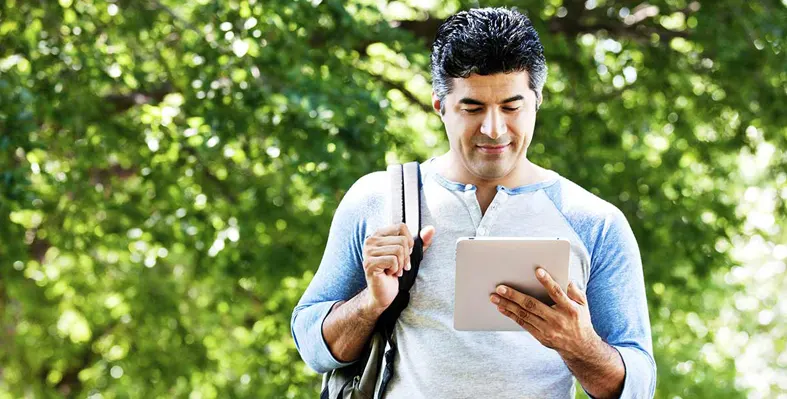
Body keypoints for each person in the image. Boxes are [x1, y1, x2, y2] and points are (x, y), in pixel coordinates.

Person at [291, 7, 656, 399]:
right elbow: (312, 346)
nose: (494, 129)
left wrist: (579, 345)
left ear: (537, 101)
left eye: (512, 107)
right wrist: (371, 303)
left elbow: (640, 385)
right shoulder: (379, 199)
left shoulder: (595, 222)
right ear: (440, 106)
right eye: (473, 108)